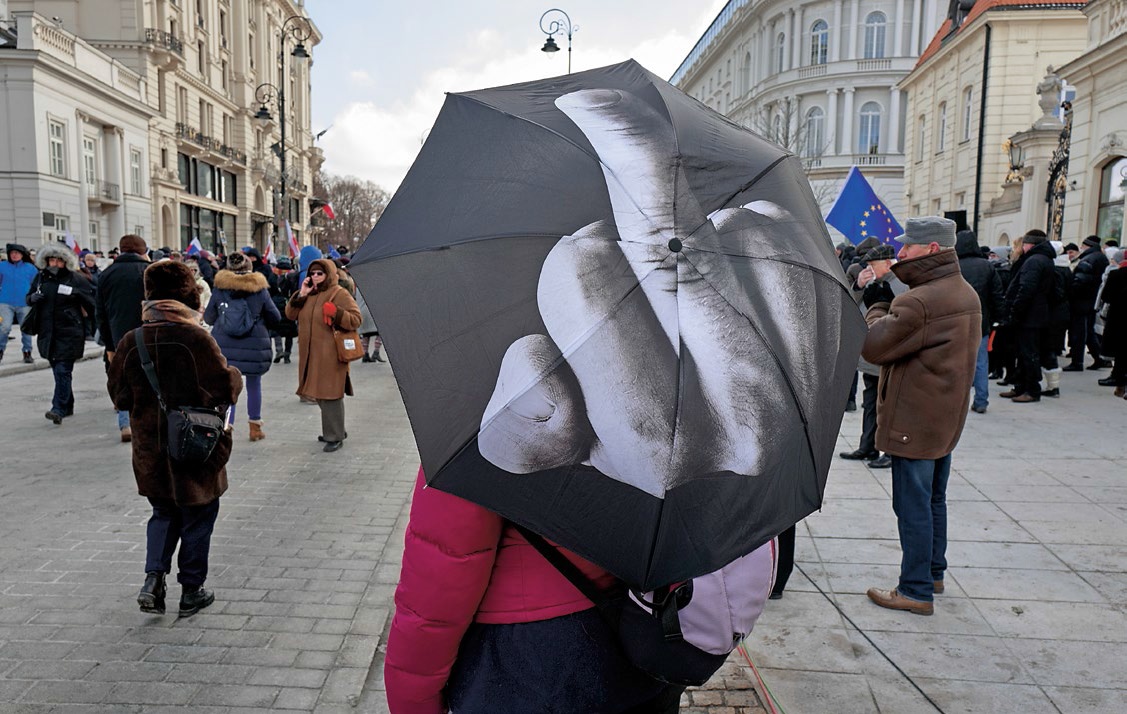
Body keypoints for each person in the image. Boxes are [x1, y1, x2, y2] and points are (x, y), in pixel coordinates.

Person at [385, 468, 688, 713]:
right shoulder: (667, 402)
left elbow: (440, 583)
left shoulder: (485, 409)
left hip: (524, 665)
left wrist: (413, 701)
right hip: (644, 634)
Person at [107, 261, 242, 617]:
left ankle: (153, 579)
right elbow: (223, 389)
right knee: (199, 515)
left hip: (151, 451)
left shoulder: (130, 340)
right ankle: (192, 590)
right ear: (189, 295)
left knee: (163, 512)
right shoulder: (196, 337)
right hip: (194, 447)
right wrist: (236, 376)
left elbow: (119, 398)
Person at [861, 217, 980, 616]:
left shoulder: (920, 300)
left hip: (914, 419)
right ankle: (932, 573)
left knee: (912, 504)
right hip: (944, 418)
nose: (900, 253)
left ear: (931, 250)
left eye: (908, 247)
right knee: (933, 500)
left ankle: (914, 590)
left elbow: (873, 347)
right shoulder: (962, 291)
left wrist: (877, 303)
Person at [840, 244, 907, 468]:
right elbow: (850, 306)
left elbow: (901, 318)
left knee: (889, 407)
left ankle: (889, 451)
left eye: (873, 265)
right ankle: (867, 446)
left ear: (888, 263)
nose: (869, 269)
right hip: (871, 356)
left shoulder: (900, 283)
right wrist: (858, 285)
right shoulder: (871, 282)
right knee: (870, 404)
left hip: (889, 356)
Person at [285, 258, 362, 451]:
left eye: (320, 273)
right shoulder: (309, 293)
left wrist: (337, 313)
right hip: (310, 354)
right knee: (317, 393)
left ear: (329, 274)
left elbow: (356, 319)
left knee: (330, 395)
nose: (315, 277)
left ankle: (335, 436)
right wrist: (301, 294)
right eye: (312, 273)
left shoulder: (339, 293)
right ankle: (336, 429)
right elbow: (290, 315)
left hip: (331, 355)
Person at [204, 252, 280, 442]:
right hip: (254, 344)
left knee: (229, 387)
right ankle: (255, 428)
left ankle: (227, 426)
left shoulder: (219, 289)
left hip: (225, 345)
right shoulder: (259, 289)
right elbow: (275, 317)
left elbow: (209, 318)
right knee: (254, 385)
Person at [26, 243, 97, 424]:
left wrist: (77, 294)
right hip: (47, 331)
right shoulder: (41, 278)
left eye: (58, 260)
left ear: (65, 262)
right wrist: (33, 298)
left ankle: (58, 408)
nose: (54, 263)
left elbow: (92, 303)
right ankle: (68, 404)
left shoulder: (76, 279)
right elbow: (29, 297)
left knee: (62, 370)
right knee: (58, 370)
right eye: (51, 260)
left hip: (70, 331)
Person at [96, 234, 151, 442]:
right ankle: (146, 422)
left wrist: (108, 345)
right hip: (148, 332)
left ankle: (125, 424)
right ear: (142, 251)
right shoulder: (149, 271)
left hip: (119, 335)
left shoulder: (107, 274)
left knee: (124, 379)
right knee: (148, 377)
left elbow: (100, 313)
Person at [1001, 230, 1056, 403]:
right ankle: (1021, 387)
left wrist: (1015, 311)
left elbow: (1026, 289)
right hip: (1034, 314)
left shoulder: (1034, 261)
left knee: (1028, 354)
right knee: (1024, 353)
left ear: (1029, 244)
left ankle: (1031, 390)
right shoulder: (1042, 259)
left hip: (1029, 315)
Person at [955, 230, 1005, 412]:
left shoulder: (954, 265)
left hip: (956, 322)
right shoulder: (987, 266)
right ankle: (981, 401)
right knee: (981, 363)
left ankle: (958, 403)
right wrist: (1000, 318)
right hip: (980, 321)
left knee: (957, 364)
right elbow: (997, 296)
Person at [1064, 235, 1111, 371]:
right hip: (1092, 300)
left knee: (1079, 331)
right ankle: (1099, 358)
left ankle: (1077, 362)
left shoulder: (1087, 259)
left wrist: (1070, 292)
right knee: (1089, 331)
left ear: (1086, 246)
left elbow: (1080, 281)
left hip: (1081, 301)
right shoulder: (1101, 257)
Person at [0, 242, 38, 364]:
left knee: (26, 329)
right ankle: (0, 350)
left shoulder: (30, 268)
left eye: (17, 253)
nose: (14, 255)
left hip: (24, 302)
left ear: (22, 255)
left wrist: (33, 298)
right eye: (12, 253)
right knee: (4, 327)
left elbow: (36, 284)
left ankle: (27, 351)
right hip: (5, 302)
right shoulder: (2, 266)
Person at [354, 287, 384, 362]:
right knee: (380, 332)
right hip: (371, 311)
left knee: (366, 334)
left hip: (361, 311)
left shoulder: (358, 286)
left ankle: (365, 354)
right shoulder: (372, 286)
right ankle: (376, 352)